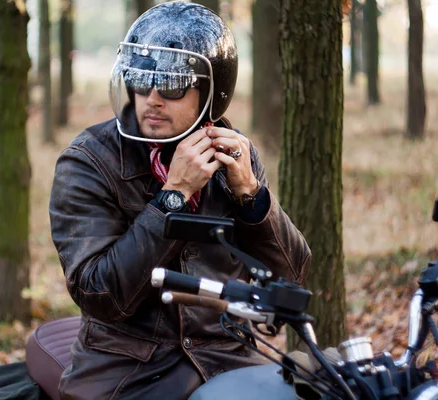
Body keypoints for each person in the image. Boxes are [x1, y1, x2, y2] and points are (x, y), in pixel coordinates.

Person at [49, 2, 311, 399]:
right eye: (141, 79)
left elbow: (290, 278)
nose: (152, 98)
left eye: (171, 84)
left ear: (210, 92)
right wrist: (172, 197)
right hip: (128, 368)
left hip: (229, 356)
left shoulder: (233, 153)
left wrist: (252, 198)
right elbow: (99, 294)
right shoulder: (88, 162)